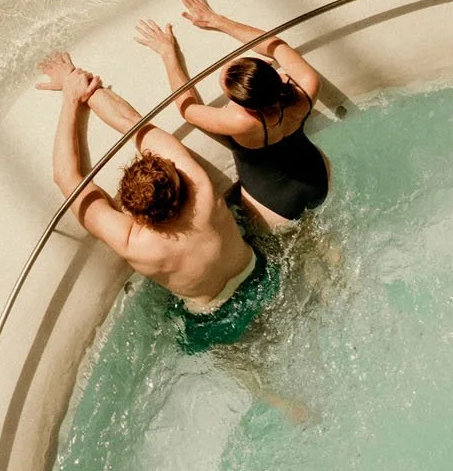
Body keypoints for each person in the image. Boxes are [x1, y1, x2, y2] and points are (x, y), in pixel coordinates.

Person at [36, 53, 301, 415]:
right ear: (178, 185)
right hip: (260, 276)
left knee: (239, 362)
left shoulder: (134, 242)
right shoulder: (202, 192)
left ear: (135, 213)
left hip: (215, 320)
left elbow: (67, 177)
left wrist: (71, 98)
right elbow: (135, 125)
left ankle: (279, 403)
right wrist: (85, 86)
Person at [134, 0, 332, 240]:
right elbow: (275, 45)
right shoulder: (306, 87)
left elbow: (188, 108)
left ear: (247, 106)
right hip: (318, 178)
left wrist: (167, 53)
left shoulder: (241, 121)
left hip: (274, 205)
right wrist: (218, 21)